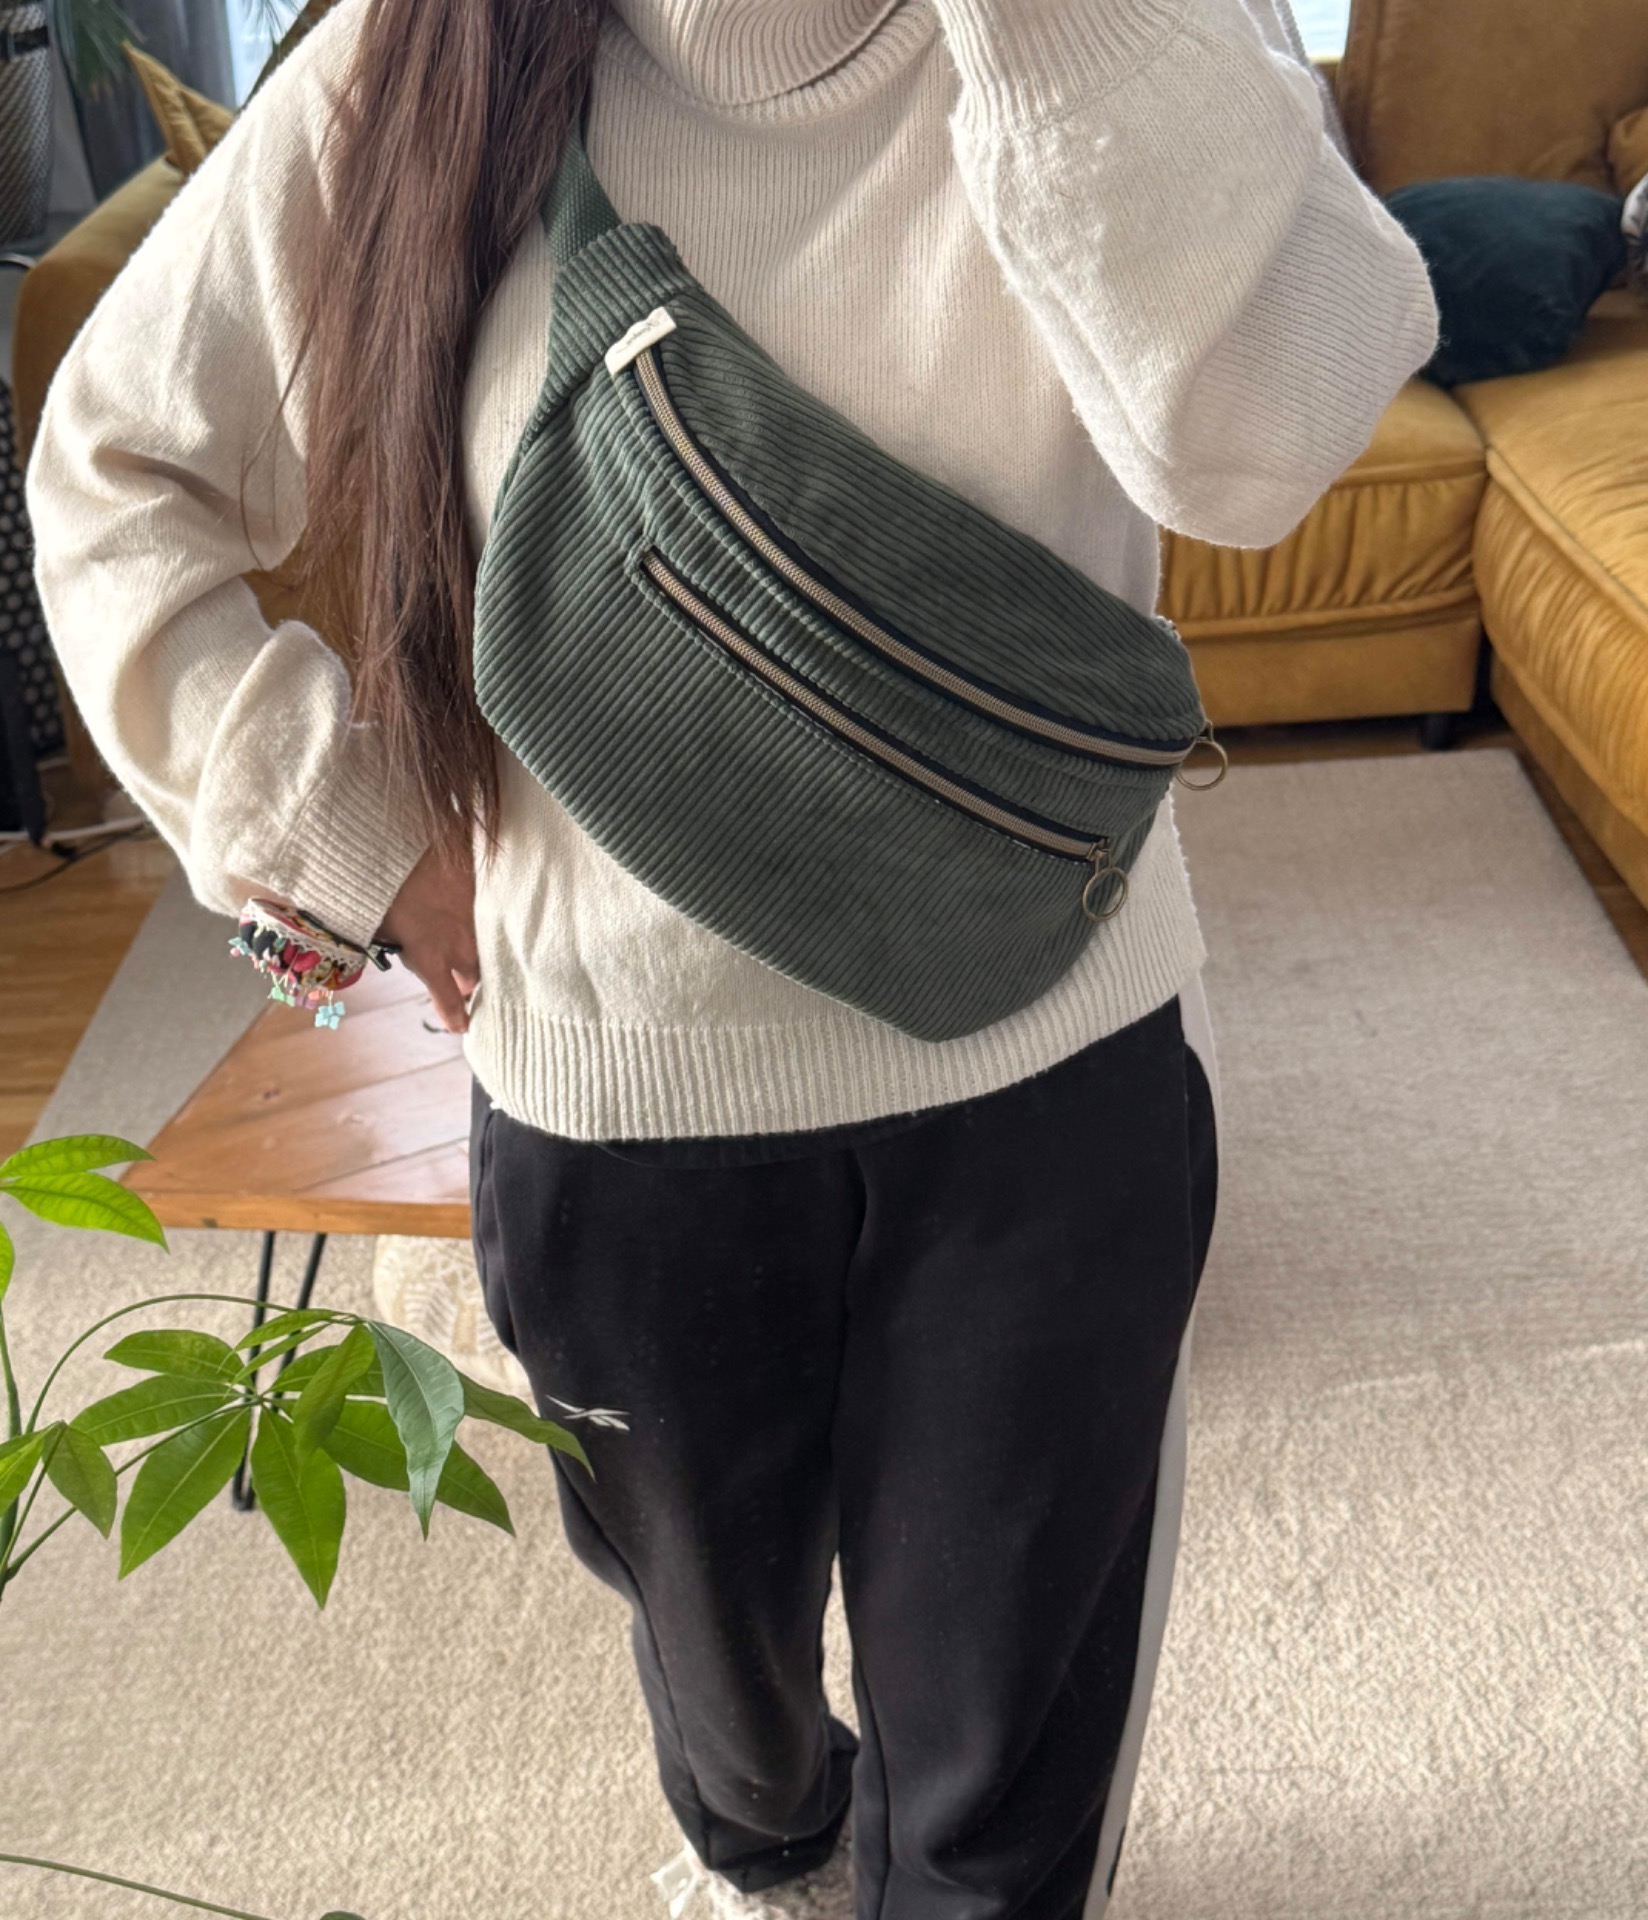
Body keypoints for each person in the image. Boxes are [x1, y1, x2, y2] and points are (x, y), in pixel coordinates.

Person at [25, 0, 1439, 1913]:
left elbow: (1269, 449)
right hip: (615, 1097)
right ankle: (769, 1850)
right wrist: (343, 830)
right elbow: (113, 473)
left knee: (1003, 1791)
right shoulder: (415, 58)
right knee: (734, 1728)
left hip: (1055, 1066)